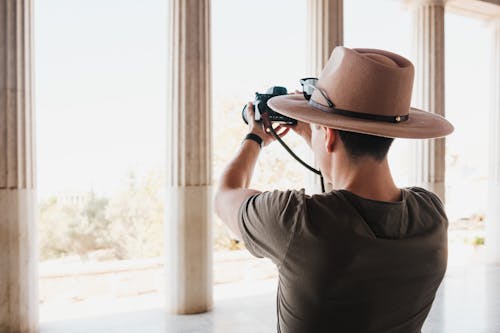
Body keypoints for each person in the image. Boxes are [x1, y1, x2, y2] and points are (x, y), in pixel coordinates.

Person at [214, 46, 454, 333]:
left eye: (319, 130)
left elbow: (225, 195)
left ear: (327, 135)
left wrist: (254, 136)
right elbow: (347, 205)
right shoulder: (431, 214)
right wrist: (318, 133)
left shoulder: (295, 221)